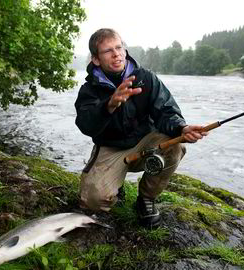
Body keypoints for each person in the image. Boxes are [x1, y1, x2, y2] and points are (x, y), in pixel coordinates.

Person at [74, 28, 207, 228]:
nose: (116, 53)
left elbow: (166, 111)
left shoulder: (146, 78)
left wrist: (182, 128)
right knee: (93, 202)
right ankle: (115, 186)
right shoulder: (89, 89)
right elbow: (85, 125)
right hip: (110, 147)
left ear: (125, 50)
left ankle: (146, 198)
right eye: (108, 50)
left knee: (176, 146)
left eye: (119, 47)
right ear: (95, 59)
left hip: (147, 142)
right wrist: (108, 105)